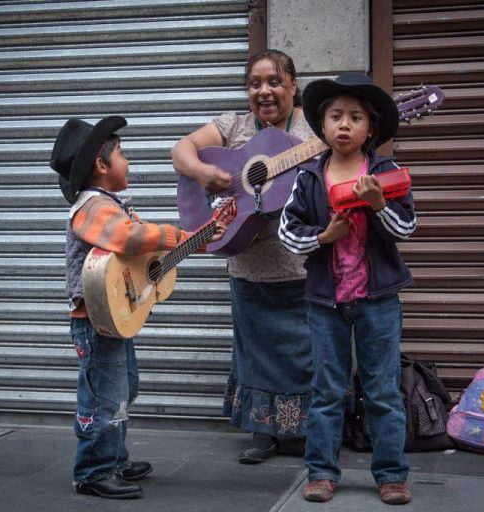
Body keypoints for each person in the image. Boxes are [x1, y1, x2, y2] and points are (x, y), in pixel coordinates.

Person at [49, 115, 225, 499]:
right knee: (105, 396)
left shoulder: (112, 204)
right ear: (101, 165)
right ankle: (93, 470)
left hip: (110, 319)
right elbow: (129, 239)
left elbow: (146, 253)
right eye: (123, 154)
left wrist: (199, 237)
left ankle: (114, 458)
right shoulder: (91, 207)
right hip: (93, 321)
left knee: (124, 388)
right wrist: (180, 234)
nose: (128, 161)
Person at [278, 72, 416, 505]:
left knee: (383, 391)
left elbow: (406, 228)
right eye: (335, 116)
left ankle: (391, 474)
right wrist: (324, 237)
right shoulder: (308, 177)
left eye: (355, 117)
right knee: (325, 391)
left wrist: (378, 206)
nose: (344, 124)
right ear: (322, 126)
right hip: (325, 302)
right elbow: (287, 231)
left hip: (378, 302)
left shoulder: (386, 172)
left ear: (370, 129)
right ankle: (321, 472)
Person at [171, 49, 314, 463]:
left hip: (300, 267)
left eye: (274, 82)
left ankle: (304, 431)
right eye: (255, 83)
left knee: (305, 353)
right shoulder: (233, 125)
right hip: (247, 265)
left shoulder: (311, 130)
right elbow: (181, 150)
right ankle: (262, 432)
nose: (264, 91)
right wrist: (206, 173)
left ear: (293, 86)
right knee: (253, 354)